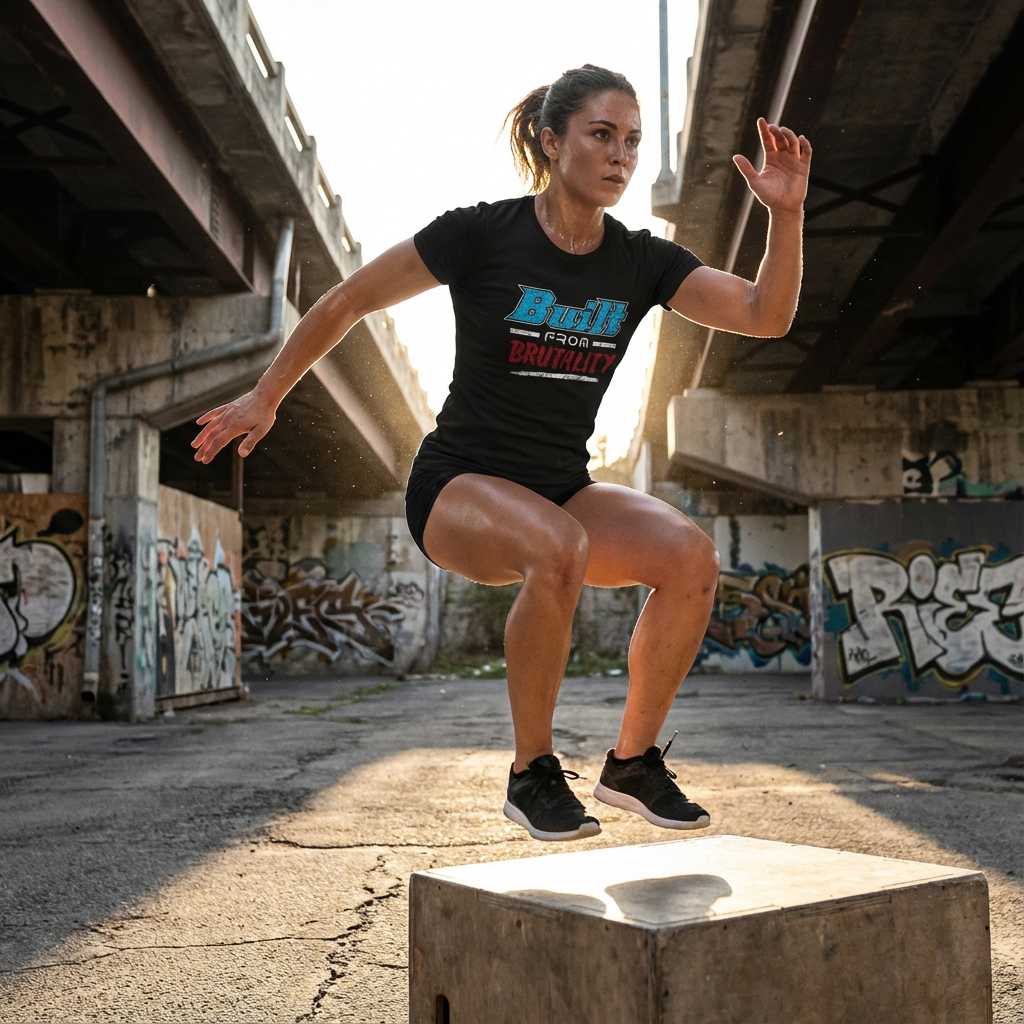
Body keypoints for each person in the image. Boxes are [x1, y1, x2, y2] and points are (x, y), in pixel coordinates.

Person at [192, 65, 811, 843]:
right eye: (601, 136)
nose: (620, 156)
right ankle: (532, 774)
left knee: (688, 556)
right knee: (560, 547)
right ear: (553, 144)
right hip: (457, 488)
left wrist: (784, 216)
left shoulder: (642, 260)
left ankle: (632, 763)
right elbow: (350, 298)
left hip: (559, 487)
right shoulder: (481, 233)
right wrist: (267, 394)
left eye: (631, 142)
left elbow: (764, 315)